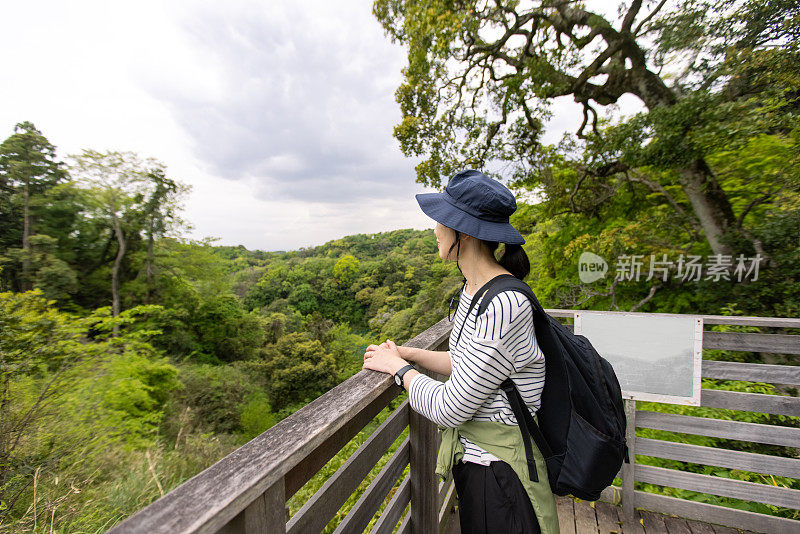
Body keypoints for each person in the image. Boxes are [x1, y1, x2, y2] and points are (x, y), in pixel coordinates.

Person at [362, 169, 560, 534]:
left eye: (440, 221)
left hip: (501, 475)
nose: (434, 229)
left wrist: (400, 372)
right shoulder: (475, 290)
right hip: (477, 463)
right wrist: (408, 354)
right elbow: (467, 366)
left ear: (463, 233)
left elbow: (451, 407)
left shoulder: (505, 304)